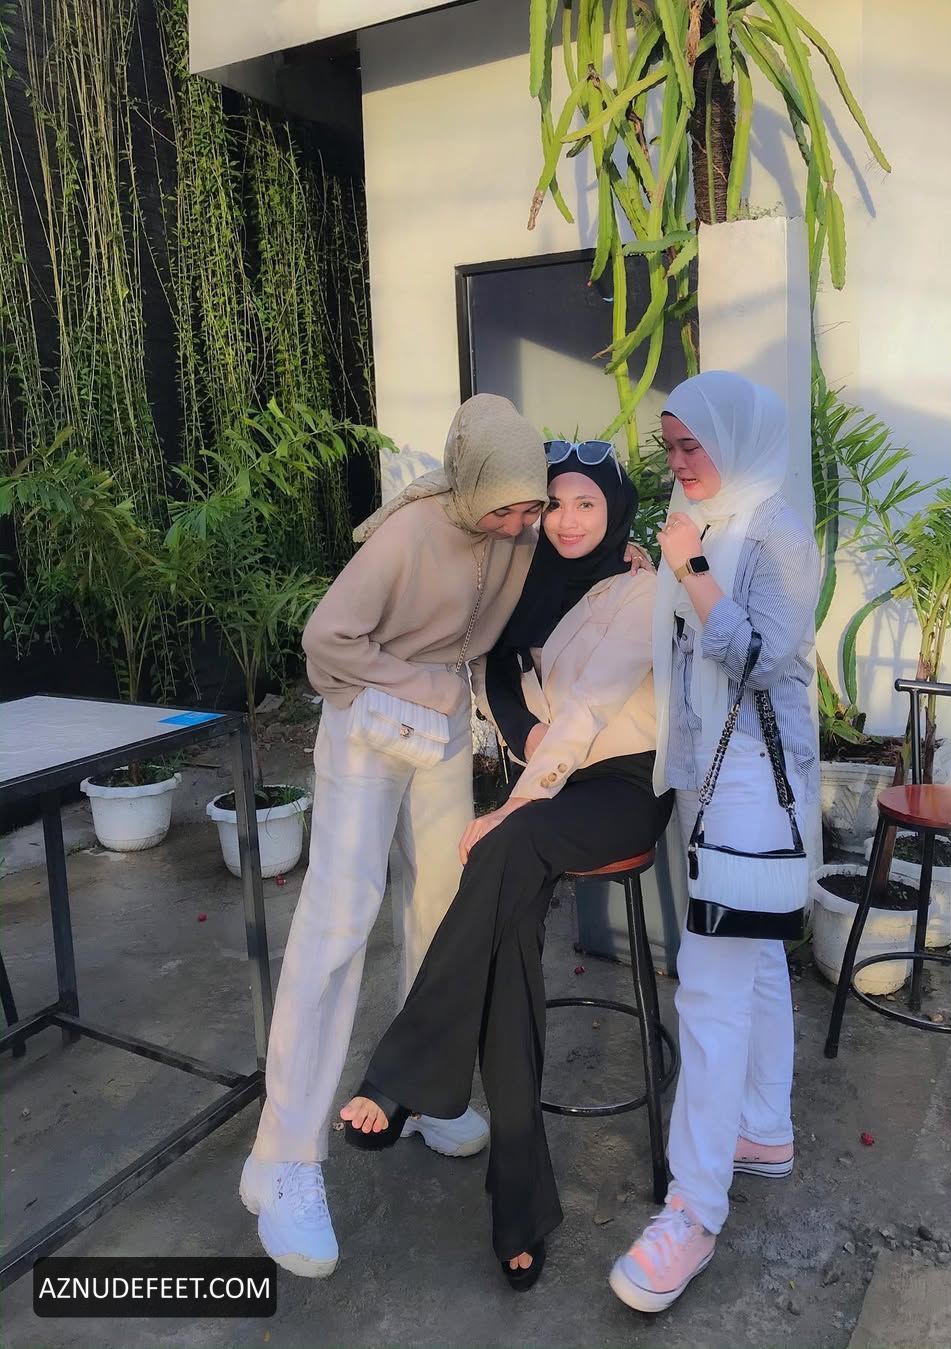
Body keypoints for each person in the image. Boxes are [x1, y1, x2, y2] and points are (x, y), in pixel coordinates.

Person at [338, 442, 672, 1290]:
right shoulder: (527, 577)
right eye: (554, 503)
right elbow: (495, 672)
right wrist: (524, 755)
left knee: (503, 845)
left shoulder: (641, 588)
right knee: (508, 935)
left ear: (616, 511)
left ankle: (407, 1073)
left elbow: (586, 709)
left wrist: (517, 803)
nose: (567, 521)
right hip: (548, 787)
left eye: (588, 504)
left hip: (619, 789)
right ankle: (518, 1209)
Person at [239, 394, 550, 1278]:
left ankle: (418, 1085)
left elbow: (572, 530)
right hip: (370, 724)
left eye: (531, 505)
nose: (522, 523)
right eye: (509, 506)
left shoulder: (520, 532)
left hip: (440, 727)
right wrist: (421, 683)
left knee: (443, 905)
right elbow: (324, 639)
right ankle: (284, 1154)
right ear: (472, 481)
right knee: (339, 921)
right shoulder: (408, 536)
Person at [608, 372, 820, 1314]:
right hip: (709, 769)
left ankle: (694, 1208)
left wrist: (691, 570)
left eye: (692, 445)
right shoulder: (703, 518)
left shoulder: (771, 531)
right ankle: (763, 1127)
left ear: (735, 437)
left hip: (754, 780)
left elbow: (766, 658)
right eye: (670, 447)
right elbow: (687, 643)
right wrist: (660, 569)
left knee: (708, 982)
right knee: (755, 956)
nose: (679, 463)